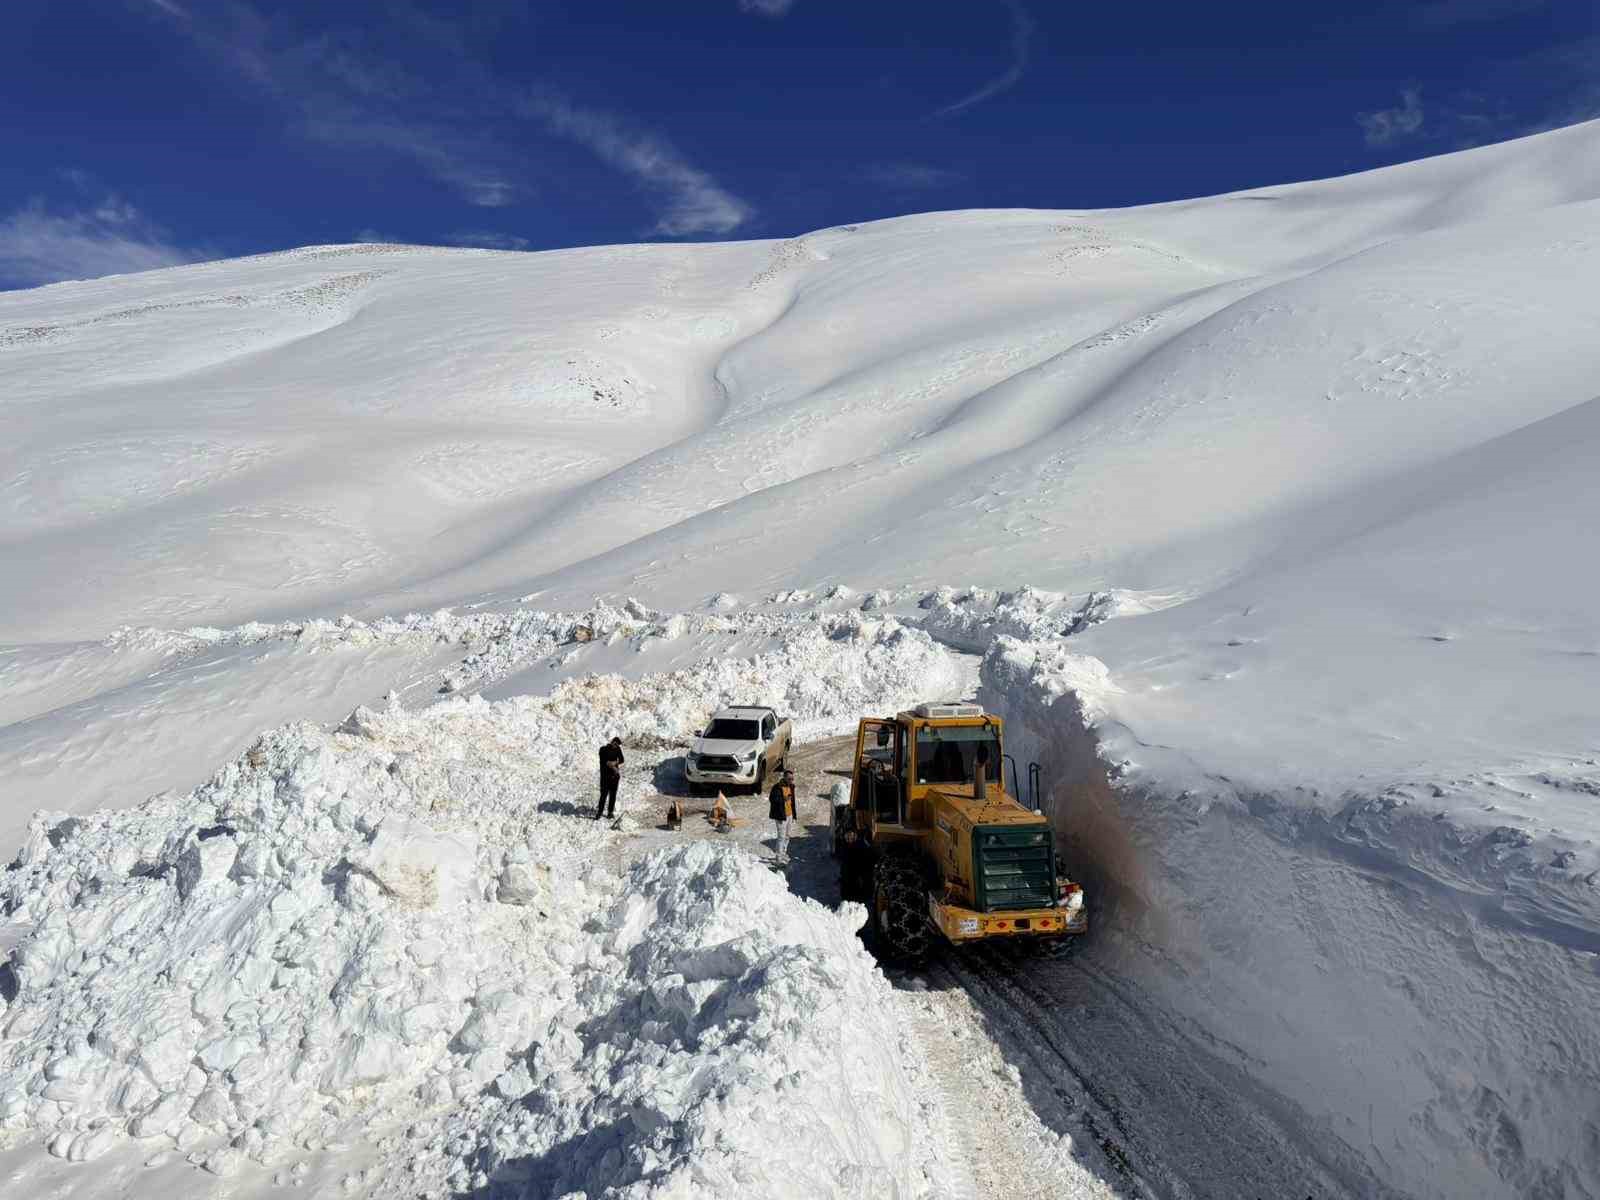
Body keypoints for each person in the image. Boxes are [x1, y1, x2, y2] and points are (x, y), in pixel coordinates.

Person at [768, 767, 798, 864]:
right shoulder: (777, 787)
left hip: (789, 815)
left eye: (792, 779)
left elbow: (793, 802)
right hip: (780, 816)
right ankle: (778, 858)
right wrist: (783, 799)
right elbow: (772, 799)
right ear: (784, 778)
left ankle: (783, 853)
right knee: (781, 837)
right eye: (789, 779)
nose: (791, 781)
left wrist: (794, 814)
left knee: (787, 836)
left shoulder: (791, 787)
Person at [597, 736, 624, 820]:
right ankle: (599, 812)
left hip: (614, 776)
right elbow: (605, 762)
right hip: (605, 776)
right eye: (615, 744)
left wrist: (616, 762)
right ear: (612, 742)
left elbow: (622, 759)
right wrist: (614, 767)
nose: (616, 746)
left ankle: (610, 812)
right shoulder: (603, 749)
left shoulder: (618, 749)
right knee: (603, 795)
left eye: (618, 745)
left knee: (613, 795)